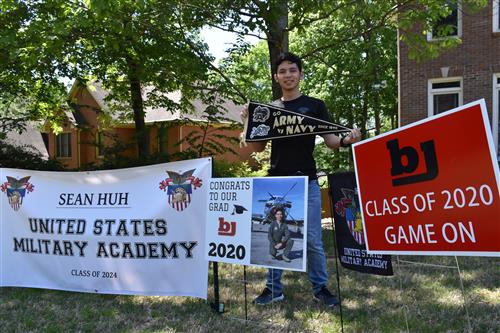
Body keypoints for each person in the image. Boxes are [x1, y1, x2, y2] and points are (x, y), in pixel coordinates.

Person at [240, 52, 361, 307]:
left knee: (313, 240)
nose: (288, 75)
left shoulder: (315, 106)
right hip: (276, 183)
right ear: (276, 76)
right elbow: (257, 148)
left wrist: (347, 140)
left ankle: (320, 288)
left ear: (300, 74)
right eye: (282, 71)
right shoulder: (270, 110)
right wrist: (247, 121)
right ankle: (273, 289)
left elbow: (331, 142)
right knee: (273, 235)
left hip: (307, 181)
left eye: (292, 70)